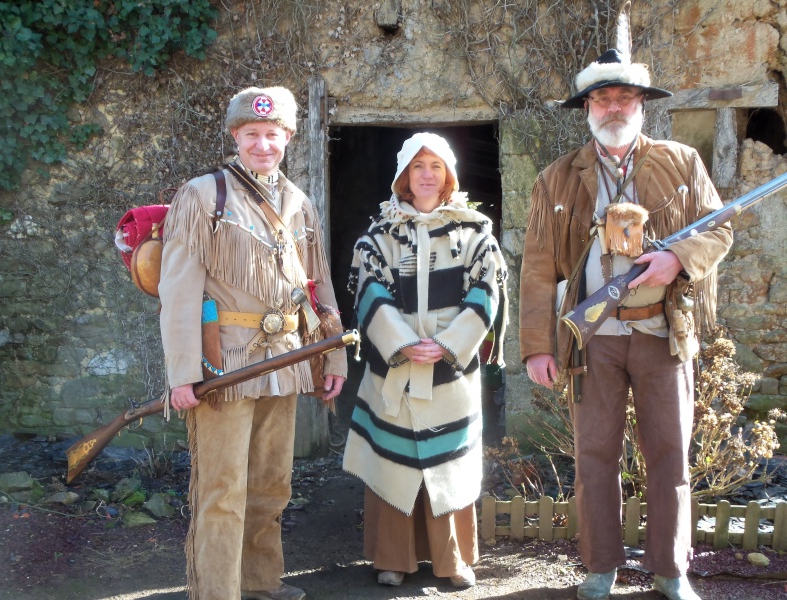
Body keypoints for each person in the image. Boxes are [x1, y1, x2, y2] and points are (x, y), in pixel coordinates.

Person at [518, 12, 733, 600]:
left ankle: (670, 571)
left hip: (664, 333)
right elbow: (538, 267)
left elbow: (720, 231)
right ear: (588, 108)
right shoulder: (556, 179)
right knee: (594, 456)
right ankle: (599, 568)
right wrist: (538, 346)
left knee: (669, 454)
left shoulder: (683, 164)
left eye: (625, 98)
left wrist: (676, 260)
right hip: (594, 340)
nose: (614, 108)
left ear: (642, 105)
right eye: (603, 98)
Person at [159, 86, 347, 600]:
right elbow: (178, 291)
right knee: (223, 491)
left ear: (287, 137)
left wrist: (330, 355)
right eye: (251, 135)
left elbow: (319, 285)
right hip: (224, 365)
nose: (262, 145)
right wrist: (182, 373)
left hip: (284, 361)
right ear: (235, 137)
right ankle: (217, 592)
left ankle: (262, 584)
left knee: (271, 487)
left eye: (272, 135)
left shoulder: (298, 202)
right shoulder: (203, 195)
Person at [343, 132, 508, 589]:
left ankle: (451, 560)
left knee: (447, 460)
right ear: (404, 177)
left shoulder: (475, 233)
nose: (428, 175)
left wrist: (450, 342)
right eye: (418, 166)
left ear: (449, 175)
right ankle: (391, 558)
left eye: (437, 166)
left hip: (450, 368)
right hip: (394, 365)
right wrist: (400, 341)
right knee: (391, 459)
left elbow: (487, 291)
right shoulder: (378, 236)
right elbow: (368, 290)